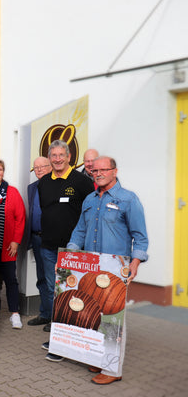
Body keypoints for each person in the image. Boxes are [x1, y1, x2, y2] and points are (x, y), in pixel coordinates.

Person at [66, 156, 148, 385]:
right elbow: (79, 232)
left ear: (115, 171)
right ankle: (98, 357)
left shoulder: (128, 199)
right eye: (95, 170)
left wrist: (136, 262)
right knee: (92, 313)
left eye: (104, 169)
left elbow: (140, 237)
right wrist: (69, 256)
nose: (98, 173)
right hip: (91, 268)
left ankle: (113, 369)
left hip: (115, 270)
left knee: (113, 318)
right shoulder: (90, 200)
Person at [38, 140, 94, 361]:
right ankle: (60, 339)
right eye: (54, 155)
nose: (58, 159)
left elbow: (89, 215)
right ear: (49, 158)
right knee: (55, 295)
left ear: (69, 157)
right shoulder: (44, 182)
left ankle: (73, 342)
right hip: (48, 248)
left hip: (73, 251)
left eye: (62, 155)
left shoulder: (81, 182)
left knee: (72, 295)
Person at [0, 158, 26, 329]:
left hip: (7, 246)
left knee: (11, 280)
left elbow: (20, 218)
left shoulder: (12, 192)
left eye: (0, 169)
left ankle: (14, 314)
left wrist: (16, 241)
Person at [26, 156, 53, 328]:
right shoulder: (31, 188)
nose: (39, 170)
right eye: (36, 168)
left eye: (43, 166)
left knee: (53, 280)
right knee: (41, 278)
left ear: (50, 167)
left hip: (52, 240)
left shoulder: (56, 185)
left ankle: (55, 318)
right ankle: (44, 314)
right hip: (36, 238)